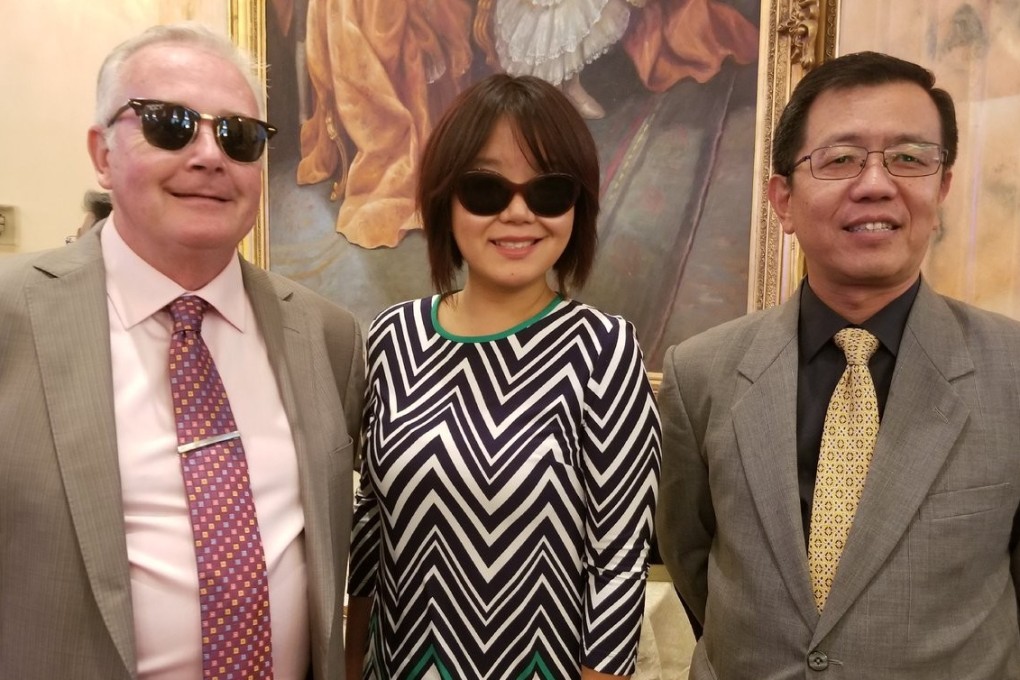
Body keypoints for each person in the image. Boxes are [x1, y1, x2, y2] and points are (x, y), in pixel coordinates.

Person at [0, 22, 365, 680]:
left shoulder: (325, 335)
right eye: (169, 125)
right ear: (102, 152)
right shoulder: (10, 318)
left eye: (239, 136)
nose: (208, 155)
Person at [656, 50, 1020, 678]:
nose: (876, 183)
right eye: (841, 158)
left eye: (909, 158)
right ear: (783, 200)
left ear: (943, 187)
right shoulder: (701, 372)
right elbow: (691, 559)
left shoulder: (1012, 372)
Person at [344, 73, 662, 679]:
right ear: (445, 199)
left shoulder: (604, 349)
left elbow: (617, 562)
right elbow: (371, 526)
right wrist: (350, 665)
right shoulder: (394, 336)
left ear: (577, 207)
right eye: (486, 190)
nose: (519, 212)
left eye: (548, 192)